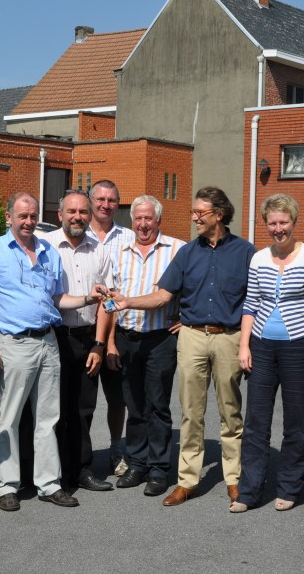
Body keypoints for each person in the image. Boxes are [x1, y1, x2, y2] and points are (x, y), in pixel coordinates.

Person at [110, 186, 254, 509]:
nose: (193, 218)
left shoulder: (245, 252)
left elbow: (254, 301)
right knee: (190, 412)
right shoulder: (187, 253)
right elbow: (162, 296)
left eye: (199, 212)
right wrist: (127, 301)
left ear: (218, 213)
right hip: (192, 337)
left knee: (230, 412)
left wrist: (248, 341)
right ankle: (187, 481)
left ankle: (233, 478)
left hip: (229, 337)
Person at [0, 192, 105, 512]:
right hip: (15, 344)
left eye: (33, 216)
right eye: (23, 216)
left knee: (48, 419)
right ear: (9, 217)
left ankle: (49, 484)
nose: (29, 222)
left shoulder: (47, 251)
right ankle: (7, 485)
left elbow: (59, 299)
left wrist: (88, 298)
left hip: (48, 342)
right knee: (11, 418)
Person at [231, 194, 304, 513]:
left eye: (283, 222)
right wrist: (244, 346)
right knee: (256, 420)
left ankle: (289, 486)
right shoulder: (258, 259)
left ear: (293, 222)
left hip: (299, 346)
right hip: (261, 345)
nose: (278, 228)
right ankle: (249, 491)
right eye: (272, 223)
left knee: (296, 420)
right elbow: (251, 304)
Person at [102, 195, 184, 497]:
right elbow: (110, 301)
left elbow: (197, 288)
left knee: (158, 406)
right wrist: (110, 341)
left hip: (160, 338)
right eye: (138, 218)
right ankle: (137, 464)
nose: (143, 224)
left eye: (149, 218)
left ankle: (159, 469)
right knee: (134, 405)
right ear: (132, 220)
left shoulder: (178, 249)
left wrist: (185, 317)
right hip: (126, 337)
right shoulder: (119, 252)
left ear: (159, 220)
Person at [39, 189, 115, 493]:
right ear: (60, 215)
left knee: (84, 409)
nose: (77, 217)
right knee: (55, 410)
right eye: (71, 211)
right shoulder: (45, 247)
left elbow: (107, 302)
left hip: (87, 338)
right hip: (56, 336)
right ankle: (56, 473)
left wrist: (100, 344)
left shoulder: (99, 250)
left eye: (83, 212)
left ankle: (83, 469)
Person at [87, 179, 134, 475]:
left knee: (117, 399)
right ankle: (80, 454)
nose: (106, 205)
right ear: (91, 201)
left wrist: (111, 341)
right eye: (101, 199)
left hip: (117, 331)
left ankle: (117, 448)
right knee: (83, 401)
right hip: (80, 332)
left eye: (112, 200)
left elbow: (122, 293)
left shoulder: (128, 237)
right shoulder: (76, 234)